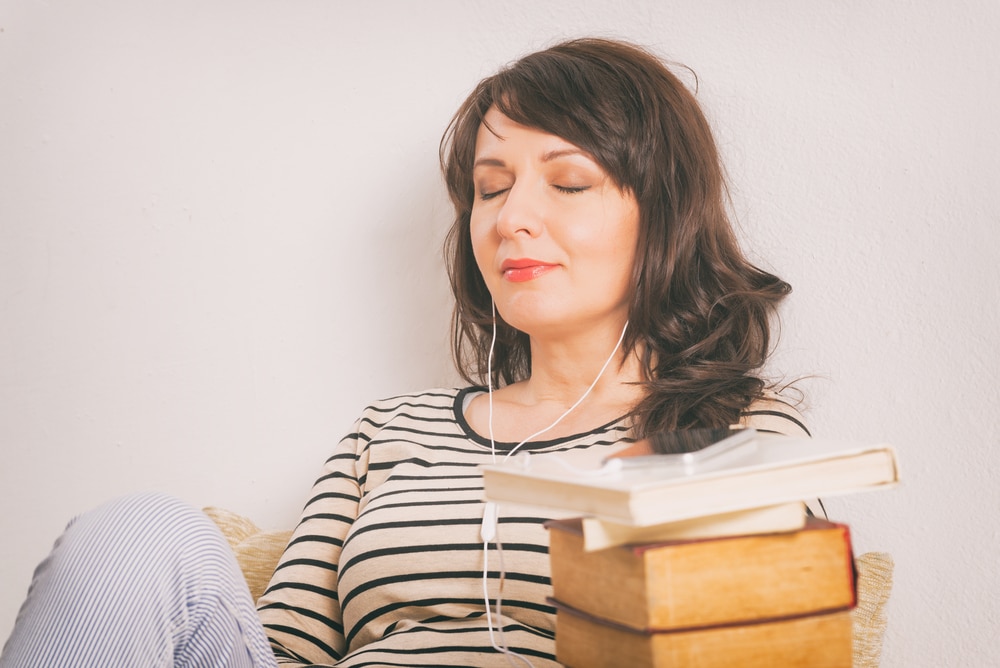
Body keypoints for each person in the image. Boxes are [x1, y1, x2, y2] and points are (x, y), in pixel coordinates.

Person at [1, 38, 808, 667]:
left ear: (663, 213)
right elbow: (283, 649)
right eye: (490, 189)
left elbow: (765, 636)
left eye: (567, 183)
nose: (510, 218)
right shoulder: (388, 431)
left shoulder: (732, 429)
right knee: (141, 532)